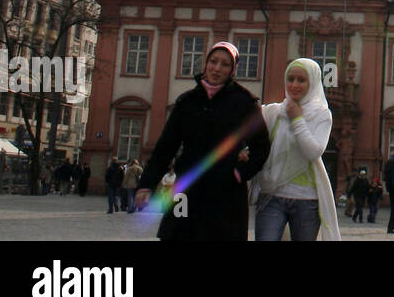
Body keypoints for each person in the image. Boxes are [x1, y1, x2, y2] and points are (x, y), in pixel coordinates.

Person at [134, 42, 270, 241]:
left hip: (226, 193)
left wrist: (240, 174)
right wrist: (146, 185)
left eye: (224, 64)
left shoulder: (244, 103)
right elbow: (165, 148)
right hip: (187, 189)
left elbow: (262, 147)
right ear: (205, 64)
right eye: (213, 62)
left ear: (232, 70)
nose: (217, 68)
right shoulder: (187, 102)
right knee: (177, 235)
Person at [251, 58, 340, 242]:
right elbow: (251, 137)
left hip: (306, 200)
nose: (294, 85)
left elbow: (313, 152)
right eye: (290, 79)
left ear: (313, 82)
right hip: (271, 195)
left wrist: (298, 120)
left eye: (301, 80)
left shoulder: (322, 114)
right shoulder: (273, 112)